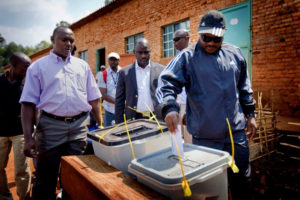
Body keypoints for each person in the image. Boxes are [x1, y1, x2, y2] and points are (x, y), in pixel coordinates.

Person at [156, 10, 257, 200]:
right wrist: (170, 108)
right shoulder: (187, 57)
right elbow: (165, 83)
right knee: (209, 190)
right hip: (206, 139)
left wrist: (251, 115)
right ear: (199, 34)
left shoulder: (235, 54)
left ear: (223, 35)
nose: (210, 43)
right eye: (206, 38)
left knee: (242, 182)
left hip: (235, 136)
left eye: (216, 39)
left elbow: (244, 87)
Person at [20, 26, 101, 200]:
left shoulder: (82, 66)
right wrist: (28, 139)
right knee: (46, 175)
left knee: (76, 174)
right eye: (64, 40)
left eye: (71, 40)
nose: (69, 44)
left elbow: (94, 99)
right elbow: (27, 104)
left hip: (80, 126)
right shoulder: (38, 68)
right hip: (50, 128)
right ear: (52, 40)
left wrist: (100, 125)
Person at [0, 52, 31, 200]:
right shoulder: (0, 81)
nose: (28, 70)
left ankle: (24, 197)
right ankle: (5, 195)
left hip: (21, 131)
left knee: (21, 170)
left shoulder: (28, 83)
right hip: (0, 132)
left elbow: (34, 106)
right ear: (13, 66)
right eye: (25, 67)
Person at [115, 38, 164, 124]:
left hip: (156, 118)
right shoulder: (125, 73)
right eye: (140, 52)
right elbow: (119, 100)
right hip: (133, 119)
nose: (143, 56)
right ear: (134, 52)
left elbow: (166, 95)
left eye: (146, 52)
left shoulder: (161, 70)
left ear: (150, 52)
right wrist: (119, 124)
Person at [173, 29, 192, 143]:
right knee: (178, 134)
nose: (174, 43)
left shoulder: (194, 56)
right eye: (173, 40)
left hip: (191, 104)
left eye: (177, 39)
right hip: (179, 103)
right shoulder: (177, 58)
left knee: (189, 133)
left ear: (186, 38)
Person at [98, 52, 120, 126]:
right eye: (111, 59)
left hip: (122, 111)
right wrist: (119, 102)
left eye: (115, 59)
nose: (113, 61)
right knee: (108, 134)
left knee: (123, 133)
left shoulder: (123, 72)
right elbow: (104, 95)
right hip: (109, 111)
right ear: (108, 61)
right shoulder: (104, 74)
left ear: (118, 61)